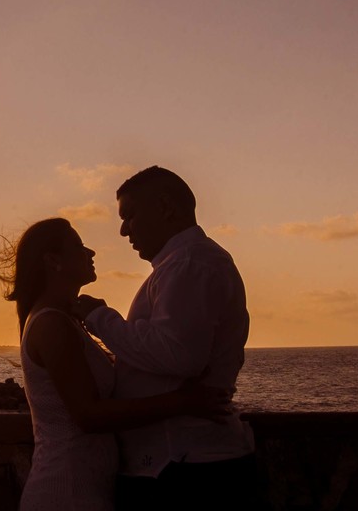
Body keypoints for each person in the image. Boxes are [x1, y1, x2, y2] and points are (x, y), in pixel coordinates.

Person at [0, 217, 229, 511]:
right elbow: (89, 415)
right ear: (53, 261)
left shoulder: (64, 320)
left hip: (83, 487)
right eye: (78, 247)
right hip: (66, 491)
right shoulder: (52, 324)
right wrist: (183, 402)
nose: (90, 253)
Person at [75, 166, 257, 511]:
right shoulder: (185, 264)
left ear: (166, 208)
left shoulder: (189, 264)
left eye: (130, 215)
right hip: (182, 462)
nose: (123, 229)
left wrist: (100, 317)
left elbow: (179, 354)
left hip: (185, 468)